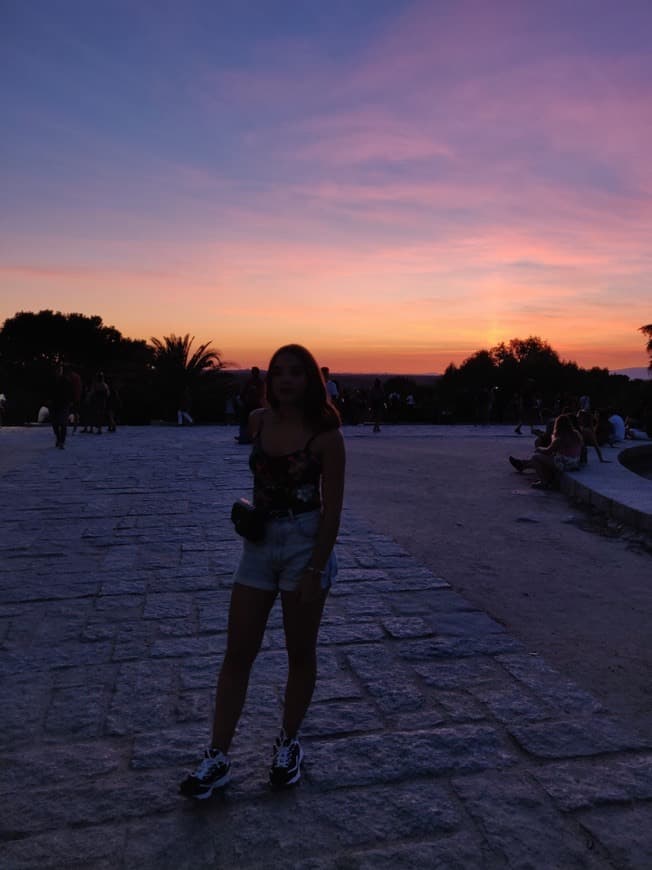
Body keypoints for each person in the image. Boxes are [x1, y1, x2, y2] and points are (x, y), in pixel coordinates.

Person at [180, 344, 345, 799]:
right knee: (238, 652)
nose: (286, 380)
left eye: (295, 372)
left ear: (311, 379)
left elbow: (332, 511)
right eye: (278, 372)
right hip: (258, 544)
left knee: (299, 653)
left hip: (304, 544)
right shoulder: (258, 421)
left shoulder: (328, 436)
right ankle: (218, 754)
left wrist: (316, 566)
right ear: (268, 380)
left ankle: (288, 743)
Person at [508, 413, 583, 489]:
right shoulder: (576, 434)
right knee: (547, 457)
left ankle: (543, 482)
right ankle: (523, 465)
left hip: (564, 463)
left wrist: (539, 448)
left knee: (535, 457)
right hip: (574, 462)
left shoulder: (560, 438)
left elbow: (548, 451)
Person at [50, 363, 75, 449]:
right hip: (54, 404)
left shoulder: (66, 381)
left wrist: (71, 401)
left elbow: (71, 392)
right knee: (55, 424)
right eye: (58, 370)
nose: (59, 372)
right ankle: (58, 438)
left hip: (64, 404)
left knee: (63, 424)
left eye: (60, 370)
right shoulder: (52, 380)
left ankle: (62, 441)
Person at [237, 366, 265, 444]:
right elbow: (243, 392)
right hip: (251, 404)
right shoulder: (252, 382)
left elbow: (262, 393)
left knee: (253, 420)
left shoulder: (258, 382)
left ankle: (252, 435)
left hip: (255, 404)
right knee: (246, 420)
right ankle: (244, 435)